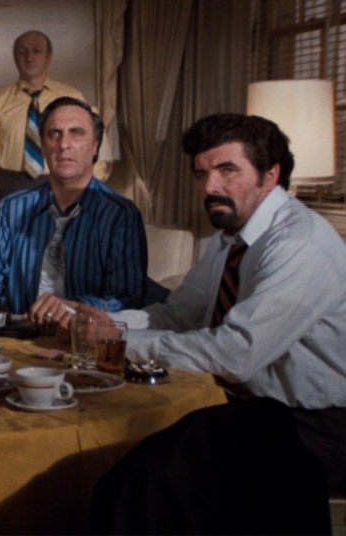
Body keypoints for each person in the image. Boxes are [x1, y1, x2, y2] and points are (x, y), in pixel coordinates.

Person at [88, 113, 346, 533]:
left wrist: (116, 341)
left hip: (312, 425)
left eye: (228, 170)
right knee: (113, 445)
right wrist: (106, 324)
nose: (210, 187)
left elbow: (233, 356)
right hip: (245, 406)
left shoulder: (299, 244)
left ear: (270, 174)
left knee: (145, 480)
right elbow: (178, 314)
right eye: (201, 174)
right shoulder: (230, 238)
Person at [0, 97, 147, 329]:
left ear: (94, 146)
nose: (64, 144)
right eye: (54, 134)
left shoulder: (120, 215)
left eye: (76, 133)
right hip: (19, 337)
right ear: (43, 148)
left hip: (83, 338)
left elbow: (127, 298)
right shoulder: (13, 208)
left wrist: (74, 308)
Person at [0, 30, 87, 248]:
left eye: (37, 51)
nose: (29, 57)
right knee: (11, 258)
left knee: (58, 260)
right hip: (11, 189)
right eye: (22, 52)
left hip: (60, 187)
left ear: (48, 57)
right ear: (15, 58)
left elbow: (91, 154)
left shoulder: (72, 99)